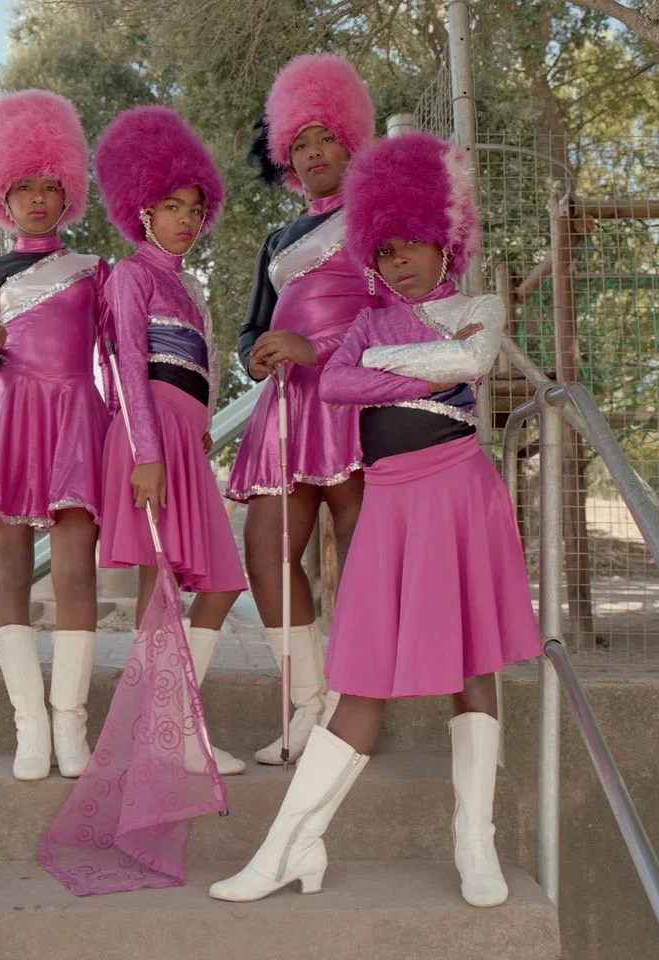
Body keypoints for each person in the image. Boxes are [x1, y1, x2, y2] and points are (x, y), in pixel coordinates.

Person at [210, 132, 542, 907]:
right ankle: (288, 848)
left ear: (443, 238)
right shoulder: (366, 323)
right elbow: (335, 387)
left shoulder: (478, 307)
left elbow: (472, 362)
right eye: (384, 251)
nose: (399, 263)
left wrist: (383, 366)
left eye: (411, 245)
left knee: (472, 668)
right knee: (360, 678)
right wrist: (416, 363)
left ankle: (475, 843)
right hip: (388, 502)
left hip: (458, 492)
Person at [0, 90, 111, 781]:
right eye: (23, 188)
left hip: (76, 417)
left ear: (68, 193)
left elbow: (116, 355)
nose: (37, 199)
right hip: (11, 418)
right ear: (2, 198)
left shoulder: (93, 270)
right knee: (8, 571)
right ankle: (30, 726)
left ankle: (71, 722)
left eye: (50, 186)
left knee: (75, 571)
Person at [227, 54, 383, 764]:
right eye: (299, 144)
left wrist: (318, 349)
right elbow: (251, 328)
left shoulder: (379, 217)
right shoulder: (277, 240)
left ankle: (354, 706)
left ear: (352, 141)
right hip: (286, 407)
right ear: (286, 161)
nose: (314, 152)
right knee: (266, 549)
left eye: (326, 138)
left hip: (353, 395)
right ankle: (307, 704)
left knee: (360, 549)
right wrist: (255, 355)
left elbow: (401, 311)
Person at [94, 106, 249, 775]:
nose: (186, 219)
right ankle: (170, 734)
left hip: (186, 442)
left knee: (221, 581)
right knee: (157, 587)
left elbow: (202, 366)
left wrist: (204, 425)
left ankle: (171, 721)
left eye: (195, 207)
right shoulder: (131, 274)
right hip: (148, 439)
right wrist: (149, 456)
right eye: (171, 207)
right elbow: (129, 364)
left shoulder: (189, 287)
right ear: (143, 211)